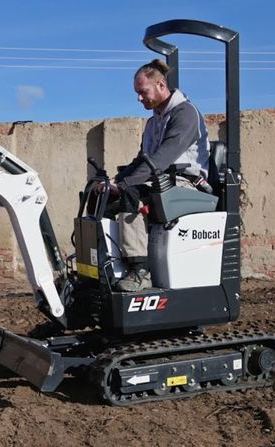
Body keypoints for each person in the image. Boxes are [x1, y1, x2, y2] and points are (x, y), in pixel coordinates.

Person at [110, 59, 211, 292]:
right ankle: (109, 268)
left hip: (187, 183)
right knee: (103, 199)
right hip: (163, 180)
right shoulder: (154, 121)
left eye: (142, 92)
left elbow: (161, 160)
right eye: (137, 93)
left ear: (161, 85)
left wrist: (125, 184)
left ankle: (140, 272)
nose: (139, 98)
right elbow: (142, 160)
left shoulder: (185, 114)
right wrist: (113, 182)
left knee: (131, 194)